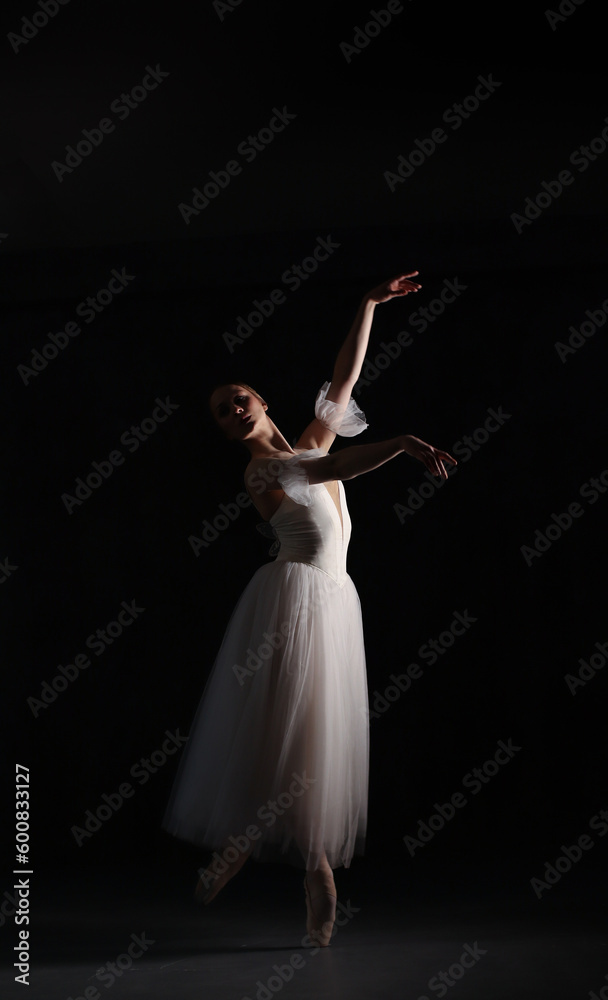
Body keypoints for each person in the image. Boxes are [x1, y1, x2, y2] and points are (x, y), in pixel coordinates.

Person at [161, 271, 456, 947]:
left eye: (239, 399)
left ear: (261, 401)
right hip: (291, 602)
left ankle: (300, 865)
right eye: (221, 412)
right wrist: (403, 443)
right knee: (285, 736)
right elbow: (334, 472)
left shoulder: (306, 445)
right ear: (226, 429)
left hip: (331, 600)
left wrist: (367, 305)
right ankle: (291, 866)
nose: (234, 410)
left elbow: (343, 380)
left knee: (315, 743)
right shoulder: (262, 473)